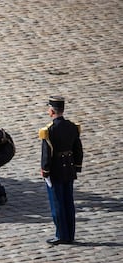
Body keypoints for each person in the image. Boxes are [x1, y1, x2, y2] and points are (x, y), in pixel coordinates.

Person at [39, 96, 83, 245]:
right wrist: (77, 166)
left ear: (52, 111)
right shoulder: (72, 127)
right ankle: (70, 233)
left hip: (55, 171)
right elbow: (78, 148)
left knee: (57, 203)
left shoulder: (48, 130)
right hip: (69, 169)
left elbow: (47, 154)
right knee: (68, 202)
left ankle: (61, 234)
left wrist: (45, 171)